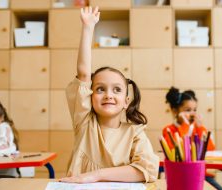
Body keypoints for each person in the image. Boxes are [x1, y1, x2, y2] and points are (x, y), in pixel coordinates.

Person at [60, 6, 159, 183]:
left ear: (126, 102)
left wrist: (96, 175)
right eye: (100, 89)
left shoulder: (135, 133)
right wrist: (88, 28)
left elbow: (148, 170)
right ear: (89, 96)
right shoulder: (84, 122)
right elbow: (83, 74)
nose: (108, 95)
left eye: (117, 90)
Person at [162, 87, 222, 190]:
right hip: (180, 176)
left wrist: (200, 128)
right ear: (175, 111)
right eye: (188, 110)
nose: (192, 113)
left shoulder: (198, 128)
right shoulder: (169, 130)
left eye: (194, 110)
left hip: (201, 176)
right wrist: (184, 126)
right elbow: (175, 151)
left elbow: (210, 150)